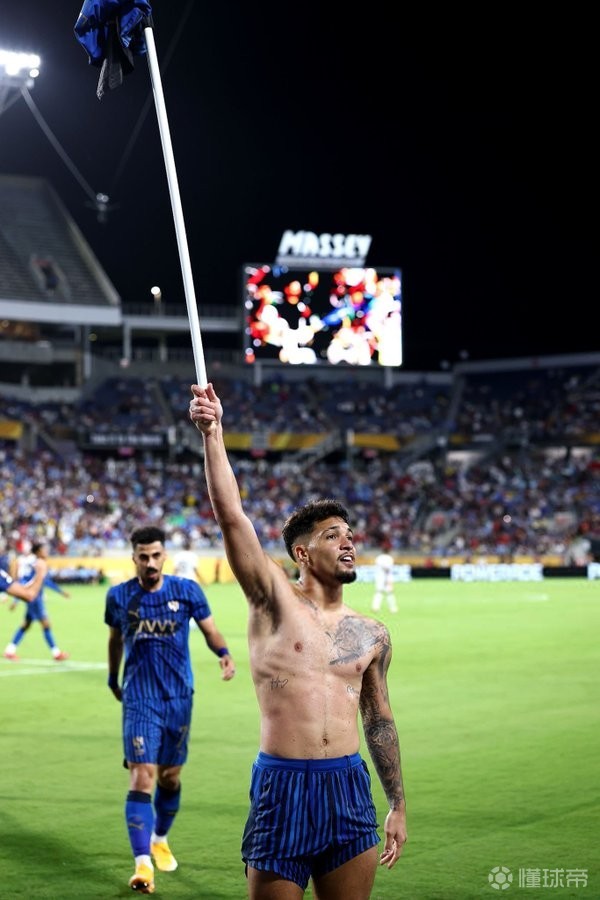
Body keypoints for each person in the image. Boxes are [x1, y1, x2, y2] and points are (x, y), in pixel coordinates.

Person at [190, 382, 407, 900]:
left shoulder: (372, 633)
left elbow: (379, 720)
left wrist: (398, 804)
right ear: (302, 554)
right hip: (282, 787)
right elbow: (232, 516)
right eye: (333, 535)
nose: (348, 541)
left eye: (349, 534)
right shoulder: (273, 600)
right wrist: (213, 433)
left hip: (348, 789)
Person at [105, 524, 236, 895]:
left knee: (170, 776)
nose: (150, 562)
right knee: (142, 776)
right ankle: (142, 865)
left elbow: (210, 629)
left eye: (156, 555)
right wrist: (112, 677)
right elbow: (115, 640)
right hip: (139, 697)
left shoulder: (187, 590)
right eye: (143, 556)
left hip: (179, 697)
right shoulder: (119, 596)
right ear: (133, 558)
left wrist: (224, 653)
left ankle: (159, 839)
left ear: (165, 555)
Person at [3, 542, 69, 661]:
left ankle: (10, 650)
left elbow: (44, 581)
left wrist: (61, 591)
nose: (46, 552)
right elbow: (25, 582)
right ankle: (56, 653)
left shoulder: (37, 563)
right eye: (44, 550)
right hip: (35, 599)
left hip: (35, 598)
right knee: (45, 624)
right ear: (38, 552)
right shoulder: (36, 564)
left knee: (26, 625)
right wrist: (16, 599)